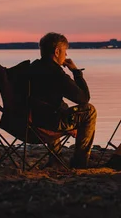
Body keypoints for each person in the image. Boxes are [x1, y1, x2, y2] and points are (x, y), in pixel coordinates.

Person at [29, 32, 97, 169]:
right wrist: (76, 72)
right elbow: (83, 99)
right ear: (57, 51)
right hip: (47, 124)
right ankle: (80, 161)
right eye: (65, 52)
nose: (65, 56)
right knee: (89, 110)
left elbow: (47, 101)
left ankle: (56, 160)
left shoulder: (29, 69)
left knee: (55, 110)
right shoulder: (56, 74)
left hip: (24, 123)